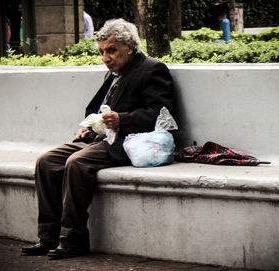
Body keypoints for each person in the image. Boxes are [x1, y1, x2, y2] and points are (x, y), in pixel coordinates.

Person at [21, 18, 175, 259]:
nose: (105, 58)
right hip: (102, 139)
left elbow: (161, 113)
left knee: (77, 163)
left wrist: (122, 119)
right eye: (102, 51)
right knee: (46, 161)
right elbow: (97, 111)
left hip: (132, 142)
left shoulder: (152, 69)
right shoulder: (114, 74)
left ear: (130, 47)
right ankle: (47, 237)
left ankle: (73, 240)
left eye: (111, 50)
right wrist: (88, 128)